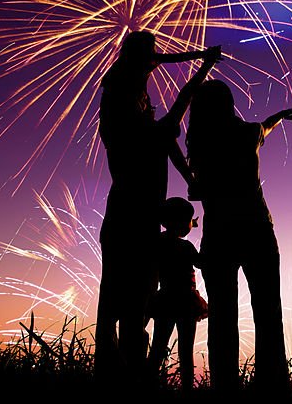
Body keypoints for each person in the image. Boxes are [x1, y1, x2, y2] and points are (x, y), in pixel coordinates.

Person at [95, 32, 221, 381]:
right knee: (126, 302)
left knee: (132, 301)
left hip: (135, 217)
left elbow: (167, 140)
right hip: (130, 218)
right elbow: (170, 124)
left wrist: (190, 178)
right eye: (149, 60)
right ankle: (124, 375)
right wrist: (201, 69)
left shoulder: (130, 107)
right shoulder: (123, 110)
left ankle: (127, 373)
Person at [185, 80, 292, 390]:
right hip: (257, 228)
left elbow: (200, 189)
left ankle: (225, 387)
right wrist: (281, 115)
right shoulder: (248, 134)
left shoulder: (200, 146)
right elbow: (266, 127)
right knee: (268, 312)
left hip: (219, 233)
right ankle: (272, 386)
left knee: (221, 317)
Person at [147, 197, 209, 391]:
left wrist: (192, 223)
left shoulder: (158, 242)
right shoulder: (186, 246)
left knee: (158, 345)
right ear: (183, 223)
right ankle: (187, 388)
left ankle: (147, 383)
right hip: (186, 301)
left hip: (165, 298)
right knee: (186, 349)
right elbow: (200, 262)